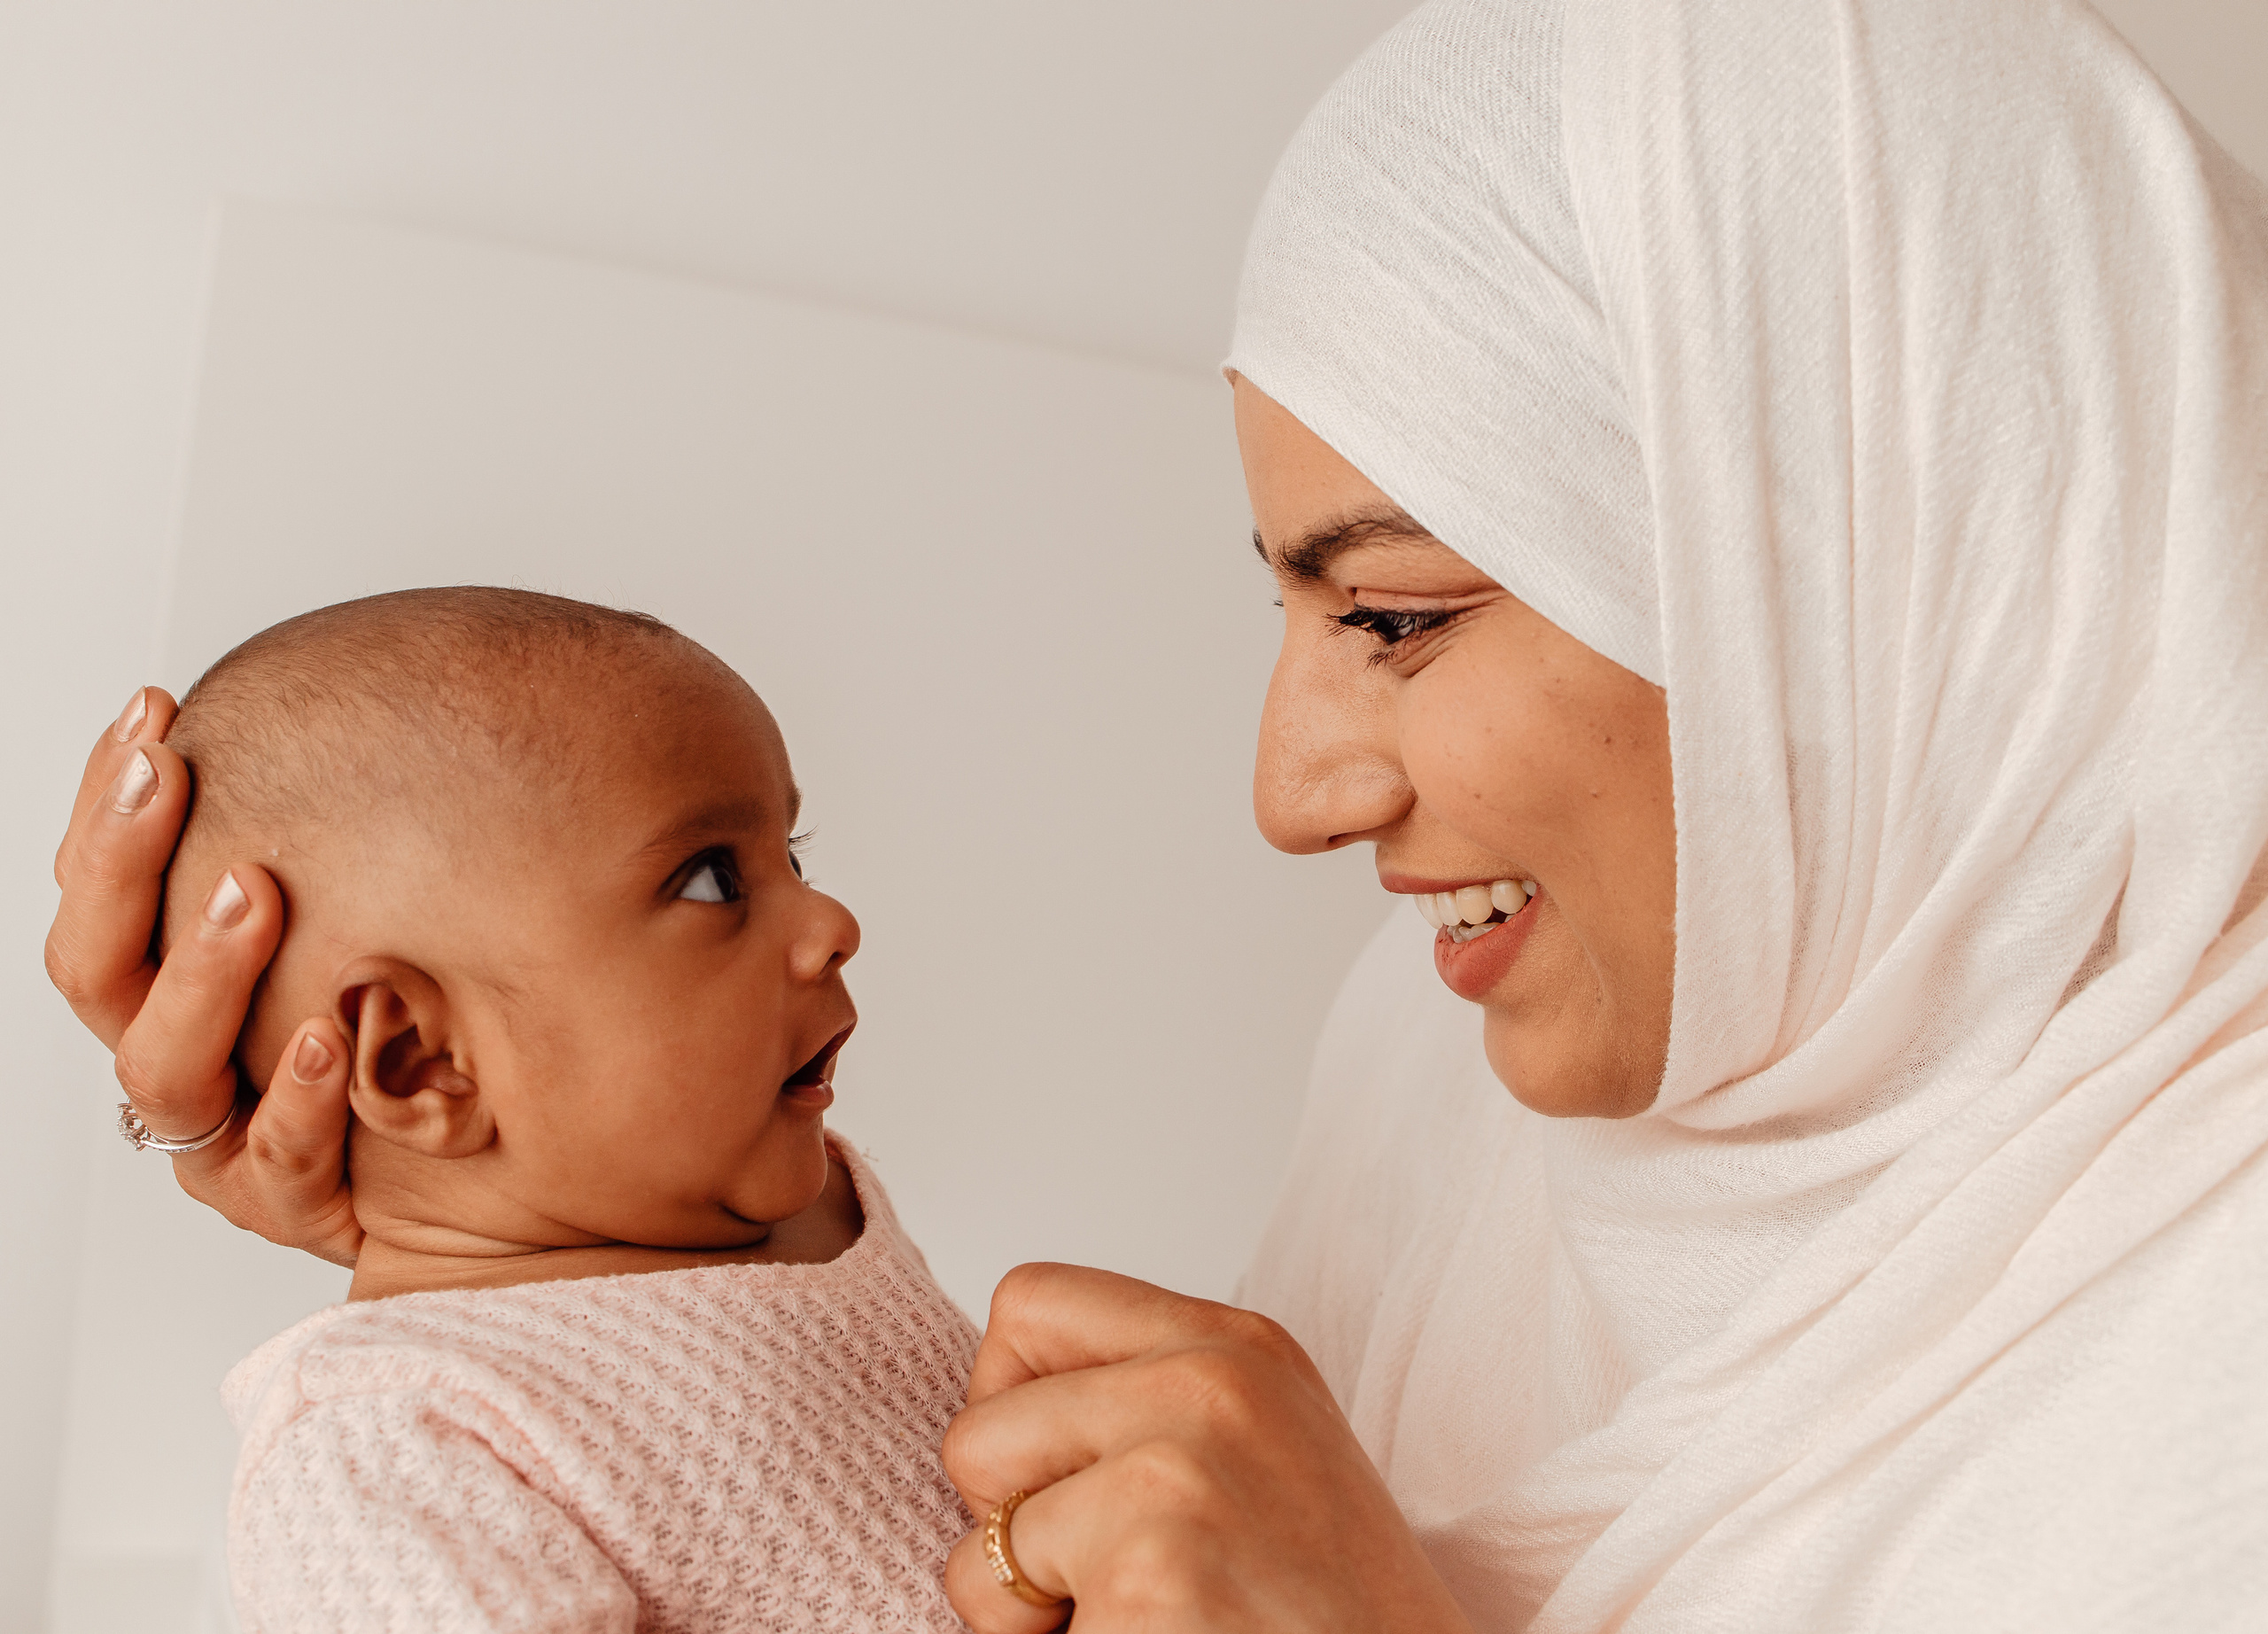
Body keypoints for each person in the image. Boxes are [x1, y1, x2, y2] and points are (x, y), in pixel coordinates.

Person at [46, 0, 2268, 1628]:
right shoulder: (1458, 1076)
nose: (1292, 794)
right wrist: (514, 1277)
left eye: (1392, 614)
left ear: (1887, 570)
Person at [154, 587, 975, 1630]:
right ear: (421, 1059)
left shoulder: (819, 1213)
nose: (830, 921)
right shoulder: (391, 1442)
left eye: (793, 855)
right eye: (712, 880)